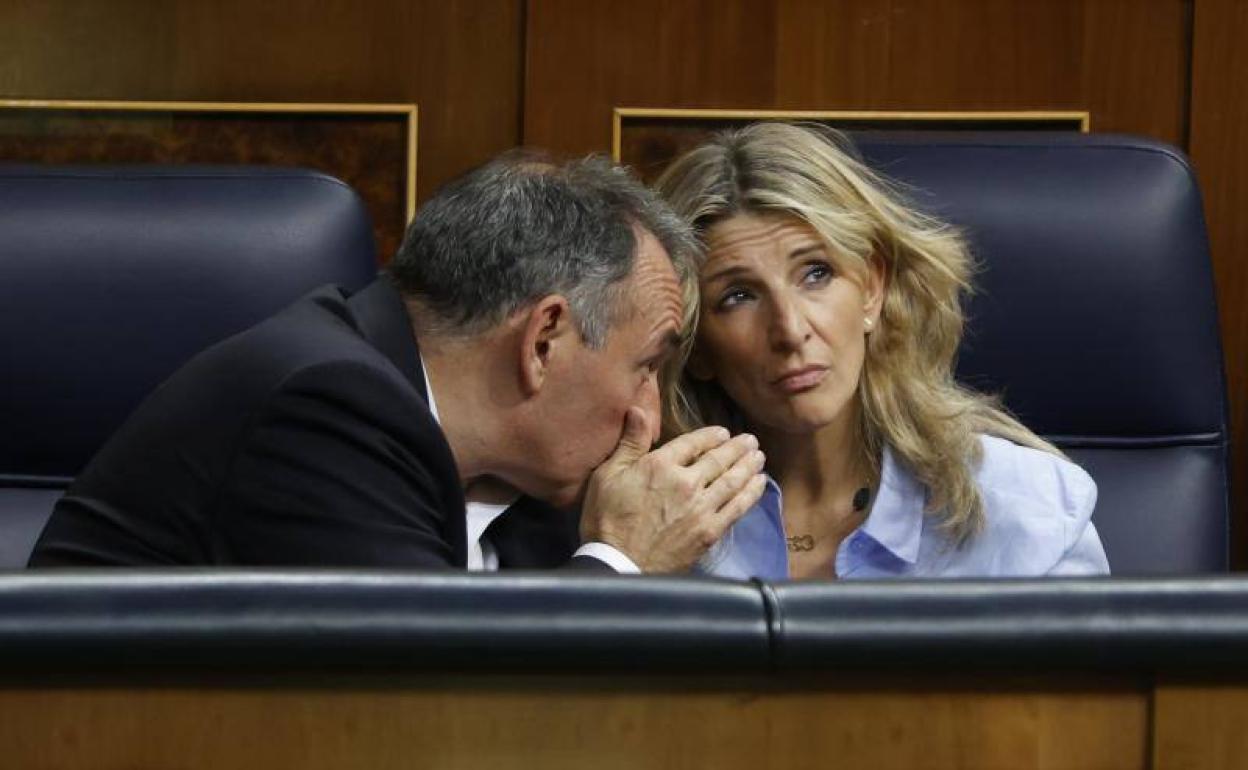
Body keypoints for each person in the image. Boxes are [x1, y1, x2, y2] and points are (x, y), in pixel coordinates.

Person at [29, 152, 767, 571]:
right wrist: (619, 563)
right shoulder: (322, 407)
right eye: (645, 367)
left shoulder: (520, 473)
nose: (648, 415)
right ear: (543, 342)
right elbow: (435, 716)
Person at [653, 123, 1110, 580]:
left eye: (816, 273)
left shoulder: (1030, 514)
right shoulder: (652, 524)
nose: (790, 331)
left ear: (872, 288)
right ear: (694, 345)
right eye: (737, 296)